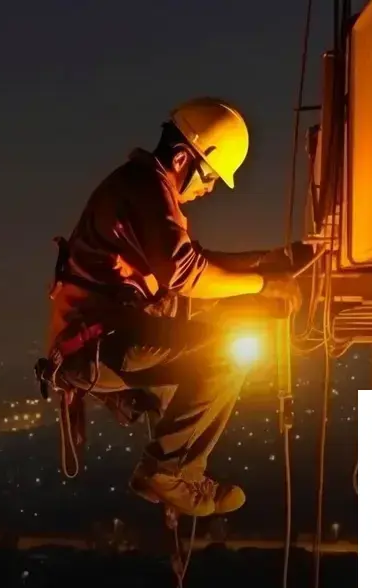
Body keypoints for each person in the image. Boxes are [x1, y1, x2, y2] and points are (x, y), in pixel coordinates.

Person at [39, 97, 302, 518]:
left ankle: (168, 469)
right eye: (211, 176)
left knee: (211, 325)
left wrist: (271, 260)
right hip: (100, 345)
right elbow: (186, 274)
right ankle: (169, 471)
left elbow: (196, 261)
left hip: (100, 342)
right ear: (184, 157)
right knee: (224, 354)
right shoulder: (146, 188)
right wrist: (264, 282)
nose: (210, 188)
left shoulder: (143, 188)